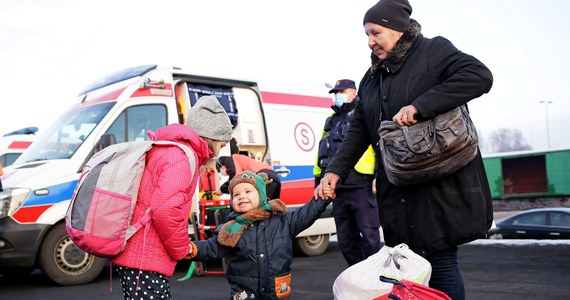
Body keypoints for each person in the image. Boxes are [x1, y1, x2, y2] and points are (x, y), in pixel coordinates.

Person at [314, 1, 493, 299]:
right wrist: (335, 170)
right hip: (396, 189)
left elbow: (479, 76)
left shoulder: (433, 52)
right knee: (410, 273)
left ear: (398, 29)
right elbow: (359, 129)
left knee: (440, 263)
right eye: (367, 35)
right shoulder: (372, 78)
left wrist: (421, 106)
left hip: (436, 185)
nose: (370, 41)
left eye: (376, 32)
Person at [112, 95, 233, 300]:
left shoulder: (168, 149)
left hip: (137, 255)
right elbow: (165, 209)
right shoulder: (180, 158)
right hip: (146, 258)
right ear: (211, 137)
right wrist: (181, 248)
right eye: (221, 145)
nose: (218, 153)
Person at [187, 170, 333, 299]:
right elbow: (212, 247)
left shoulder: (282, 222)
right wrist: (191, 248)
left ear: (262, 195)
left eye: (248, 191)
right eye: (236, 194)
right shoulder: (230, 230)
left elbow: (305, 214)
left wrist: (322, 199)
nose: (241, 196)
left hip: (277, 294)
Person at [314, 79, 381, 266]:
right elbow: (322, 151)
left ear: (353, 92)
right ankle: (358, 277)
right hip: (338, 190)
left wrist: (378, 176)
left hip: (361, 186)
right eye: (335, 93)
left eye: (341, 92)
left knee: (370, 238)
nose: (337, 96)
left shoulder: (364, 113)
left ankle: (377, 280)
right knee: (346, 241)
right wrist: (318, 181)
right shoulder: (331, 120)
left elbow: (378, 146)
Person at [216, 153, 281, 200]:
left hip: (265, 178)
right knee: (272, 206)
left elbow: (235, 177)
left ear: (221, 165)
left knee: (261, 207)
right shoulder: (240, 160)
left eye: (220, 170)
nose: (222, 172)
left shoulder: (230, 160)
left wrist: (221, 189)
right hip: (274, 177)